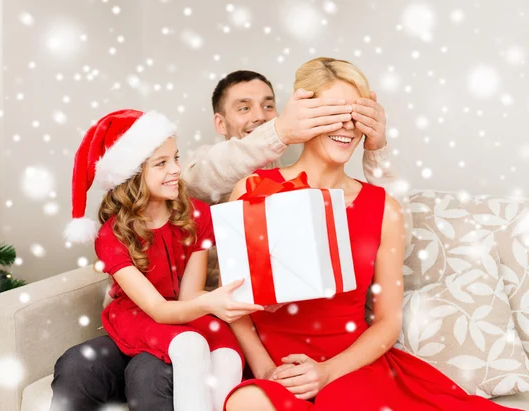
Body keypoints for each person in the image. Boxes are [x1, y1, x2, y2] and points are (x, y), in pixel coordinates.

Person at [50, 70, 410, 411]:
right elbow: (205, 176)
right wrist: (279, 130)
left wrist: (373, 147)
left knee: (151, 372)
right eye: (244, 107)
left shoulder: (290, 174)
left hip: (211, 319)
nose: (259, 116)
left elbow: (381, 214)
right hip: (171, 317)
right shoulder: (204, 173)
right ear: (219, 123)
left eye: (268, 105)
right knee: (79, 364)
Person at [222, 57, 521, 411]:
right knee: (244, 403)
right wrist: (266, 367)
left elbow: (386, 323)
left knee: (340, 402)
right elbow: (233, 301)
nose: (347, 126)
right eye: (333, 112)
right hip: (276, 369)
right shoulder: (254, 189)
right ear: (305, 114)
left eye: (356, 114)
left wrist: (327, 372)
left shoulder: (384, 209)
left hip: (350, 367)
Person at [60, 109, 264, 411]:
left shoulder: (196, 215)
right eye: (161, 163)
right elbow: (156, 308)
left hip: (184, 311)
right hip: (138, 316)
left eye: (176, 158)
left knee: (227, 352)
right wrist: (209, 304)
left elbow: (190, 296)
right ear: (131, 176)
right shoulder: (111, 235)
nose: (176, 170)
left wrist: (222, 299)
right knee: (189, 345)